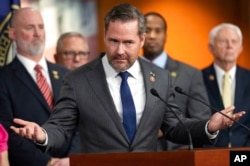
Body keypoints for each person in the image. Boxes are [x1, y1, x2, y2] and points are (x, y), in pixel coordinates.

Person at [10, 3, 244, 155]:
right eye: (114, 41)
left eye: (128, 43)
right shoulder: (78, 80)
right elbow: (60, 127)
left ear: (142, 40)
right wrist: (43, 134)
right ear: (105, 36)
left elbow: (175, 127)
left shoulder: (159, 78)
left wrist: (208, 126)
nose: (120, 50)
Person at [0, 7, 79, 166]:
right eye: (30, 27)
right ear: (13, 34)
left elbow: (81, 123)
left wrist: (72, 160)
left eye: (41, 27)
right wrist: (49, 163)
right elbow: (7, 132)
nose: (38, 33)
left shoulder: (66, 74)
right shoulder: (3, 78)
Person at [142, 12, 211, 150]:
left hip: (178, 154)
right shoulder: (126, 73)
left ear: (165, 35)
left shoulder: (190, 74)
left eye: (158, 30)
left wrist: (166, 130)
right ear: (140, 35)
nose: (152, 36)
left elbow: (200, 120)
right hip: (136, 155)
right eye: (147, 30)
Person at [202, 23, 250, 147]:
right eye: (223, 41)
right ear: (211, 47)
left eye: (234, 41)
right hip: (208, 155)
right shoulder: (198, 78)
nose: (230, 46)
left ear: (241, 48)